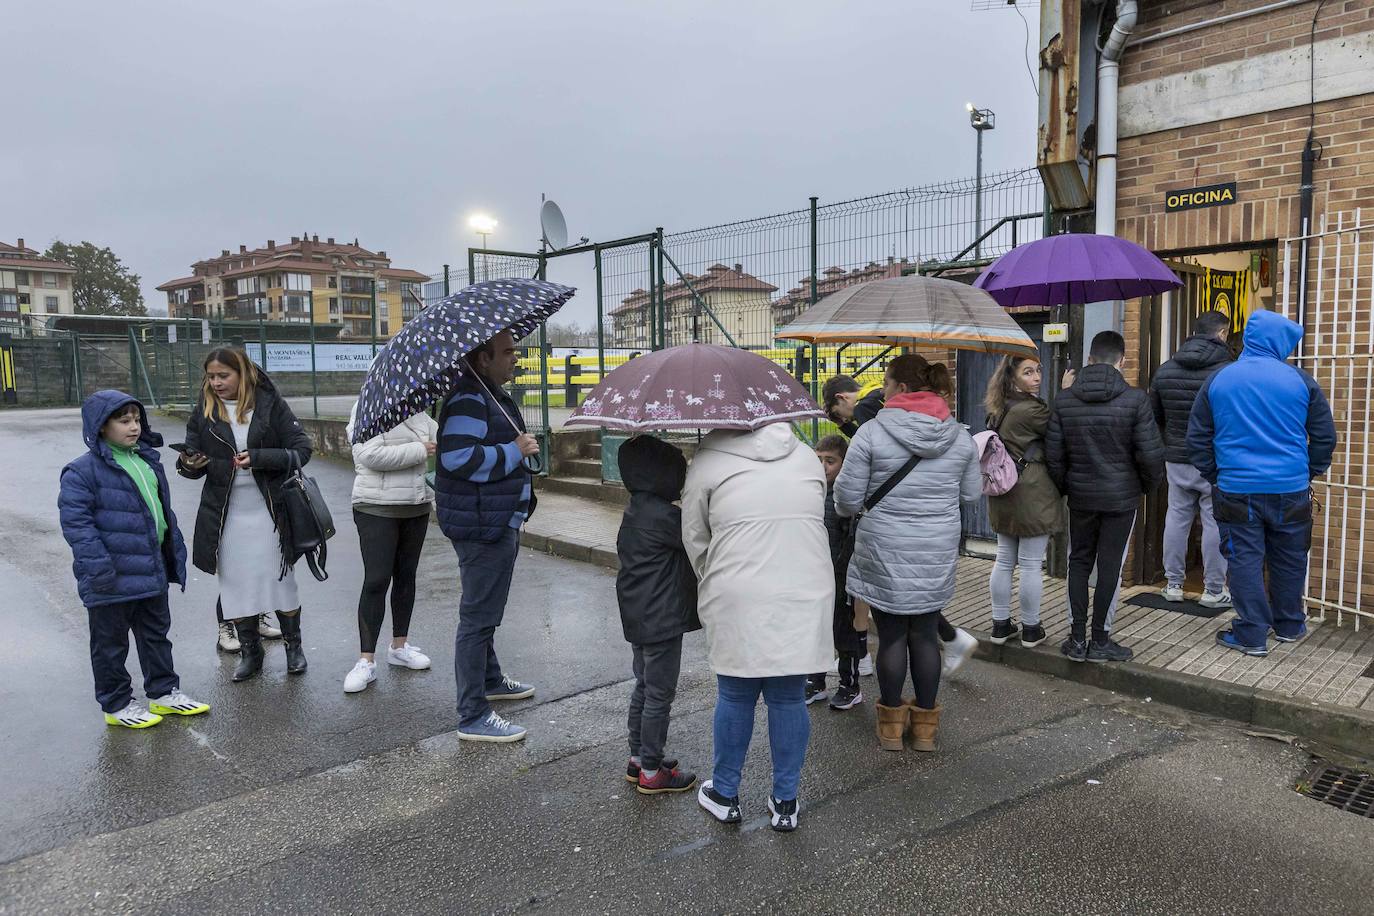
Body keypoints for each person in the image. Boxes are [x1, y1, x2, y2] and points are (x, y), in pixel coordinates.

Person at [682, 421, 832, 832]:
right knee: (787, 696)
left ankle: (725, 793)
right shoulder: (804, 455)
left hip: (738, 586)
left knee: (735, 692)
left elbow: (695, 535)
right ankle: (786, 802)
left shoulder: (708, 460)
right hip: (804, 584)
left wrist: (711, 576)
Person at [835, 355, 981, 754]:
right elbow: (970, 494)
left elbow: (846, 500)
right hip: (935, 547)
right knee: (924, 633)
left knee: (893, 635)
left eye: (884, 381)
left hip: (884, 546)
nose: (881, 389)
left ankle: (891, 729)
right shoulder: (960, 437)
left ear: (900, 388)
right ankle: (926, 730)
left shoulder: (870, 434)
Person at [1188, 310, 1336, 656]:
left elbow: (1197, 438)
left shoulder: (1220, 379)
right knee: (1289, 557)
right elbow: (1325, 437)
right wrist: (1307, 472)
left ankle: (1252, 633)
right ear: (1281, 343)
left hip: (1237, 489)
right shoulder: (1300, 380)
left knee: (1244, 560)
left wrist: (1217, 475)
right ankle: (1289, 624)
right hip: (1290, 489)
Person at [59, 391, 209, 728]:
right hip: (109, 576)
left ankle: (163, 693)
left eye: (137, 419)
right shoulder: (81, 472)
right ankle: (116, 704)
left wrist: (171, 554)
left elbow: (159, 513)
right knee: (110, 644)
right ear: (100, 427)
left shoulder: (146, 460)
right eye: (123, 421)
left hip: (150, 568)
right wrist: (98, 569)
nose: (134, 427)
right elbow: (77, 526)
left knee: (156, 634)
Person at [178, 348, 313, 682]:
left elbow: (302, 451)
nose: (216, 382)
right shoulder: (206, 410)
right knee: (236, 586)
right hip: (225, 515)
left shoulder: (271, 404)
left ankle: (294, 648)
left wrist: (260, 457)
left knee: (281, 581)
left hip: (270, 511)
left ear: (242, 374)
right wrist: (188, 463)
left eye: (223, 375)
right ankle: (251, 654)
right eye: (211, 376)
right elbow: (190, 458)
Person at [435, 331, 541, 743]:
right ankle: (473, 714)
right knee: (477, 619)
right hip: (482, 526)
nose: (515, 358)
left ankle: (491, 680)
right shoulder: (468, 399)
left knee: (486, 612)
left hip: (495, 520)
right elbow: (457, 458)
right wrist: (514, 450)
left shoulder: (488, 393)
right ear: (482, 359)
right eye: (509, 351)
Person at [1047, 331, 1165, 664]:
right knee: (1110, 567)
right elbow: (1151, 456)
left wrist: (1068, 486)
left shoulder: (1064, 400)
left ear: (1089, 359)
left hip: (1081, 497)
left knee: (1078, 563)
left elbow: (1054, 456)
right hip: (1121, 499)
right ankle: (1100, 640)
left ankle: (1075, 639)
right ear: (1122, 361)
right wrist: (1144, 487)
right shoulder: (1136, 400)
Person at [615, 435, 701, 795]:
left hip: (638, 616)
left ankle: (639, 758)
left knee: (644, 686)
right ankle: (652, 769)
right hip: (662, 619)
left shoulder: (636, 508)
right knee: (660, 694)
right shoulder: (667, 518)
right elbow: (699, 541)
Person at [342, 403, 438, 694]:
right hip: (376, 507)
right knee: (377, 579)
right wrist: (420, 450)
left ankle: (399, 646)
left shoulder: (420, 413)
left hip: (416, 505)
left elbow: (438, 441)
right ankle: (365, 660)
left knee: (406, 576)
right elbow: (369, 455)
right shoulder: (366, 410)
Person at [1149, 310, 1234, 607]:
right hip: (1214, 458)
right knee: (1213, 521)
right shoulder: (1227, 370)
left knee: (1177, 516)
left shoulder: (1165, 369)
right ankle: (1213, 590)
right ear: (1222, 334)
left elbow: (1155, 415)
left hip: (1176, 455)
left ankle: (1173, 584)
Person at [983, 355, 1064, 648]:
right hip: (1032, 490)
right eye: (1028, 372)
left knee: (1004, 559)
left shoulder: (999, 407)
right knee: (1030, 564)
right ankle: (1031, 628)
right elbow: (1061, 427)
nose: (1037, 377)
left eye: (1038, 371)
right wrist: (1065, 393)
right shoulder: (1031, 410)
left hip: (1005, 489)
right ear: (1012, 377)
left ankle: (1000, 624)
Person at [806, 434, 867, 711]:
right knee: (814, 630)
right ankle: (815, 681)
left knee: (843, 631)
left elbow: (852, 538)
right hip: (813, 572)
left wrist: (843, 572)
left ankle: (849, 685)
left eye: (830, 461)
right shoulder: (808, 491)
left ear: (844, 463)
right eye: (818, 460)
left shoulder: (845, 497)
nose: (823, 466)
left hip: (840, 574)